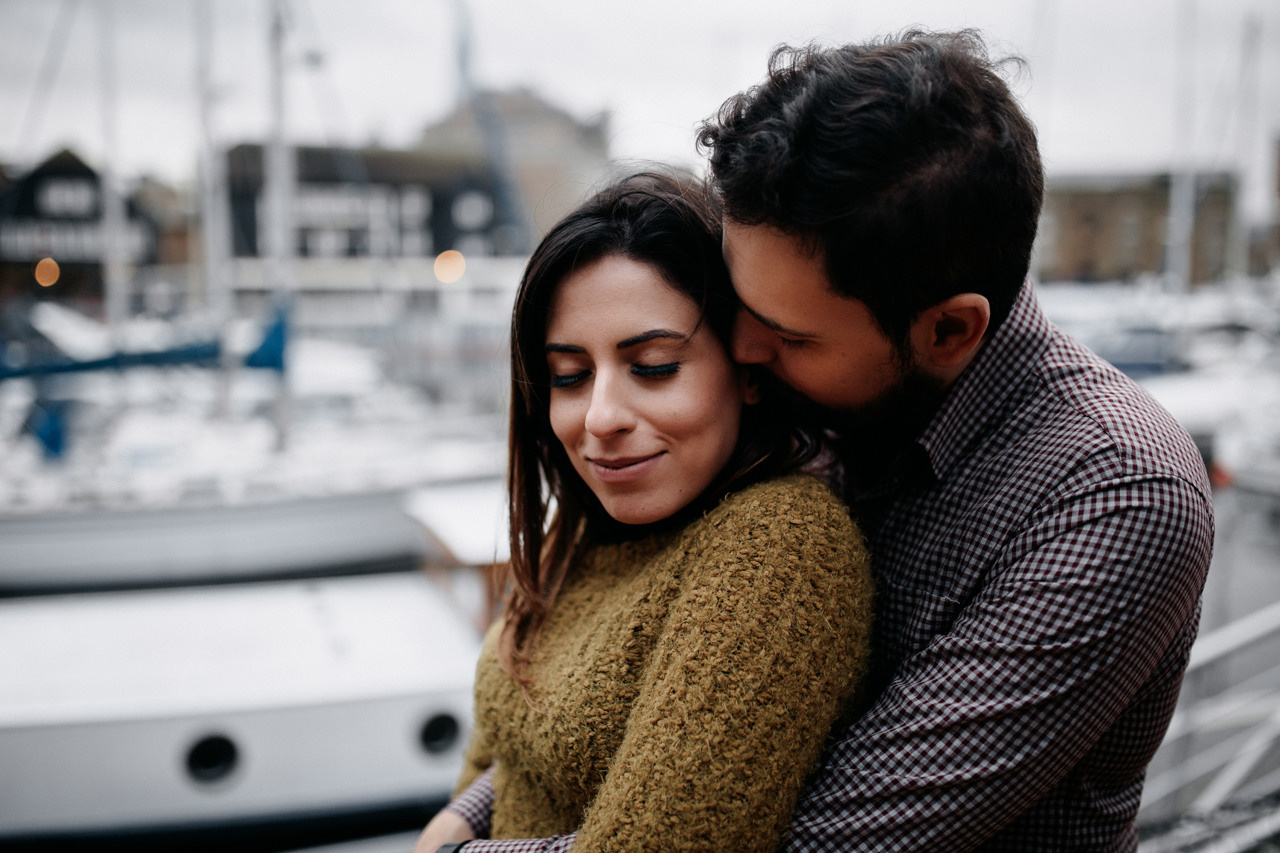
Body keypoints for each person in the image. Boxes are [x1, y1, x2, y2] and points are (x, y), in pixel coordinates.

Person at [429, 30, 1214, 852]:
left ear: (947, 329)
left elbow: (813, 838)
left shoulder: (1117, 493)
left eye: (783, 334)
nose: (740, 356)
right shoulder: (815, 395)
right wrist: (474, 807)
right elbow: (607, 691)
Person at [415, 171, 874, 853]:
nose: (600, 417)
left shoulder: (781, 545)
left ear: (747, 369)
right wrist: (463, 814)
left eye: (654, 365)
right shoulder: (580, 528)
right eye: (569, 375)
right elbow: (512, 737)